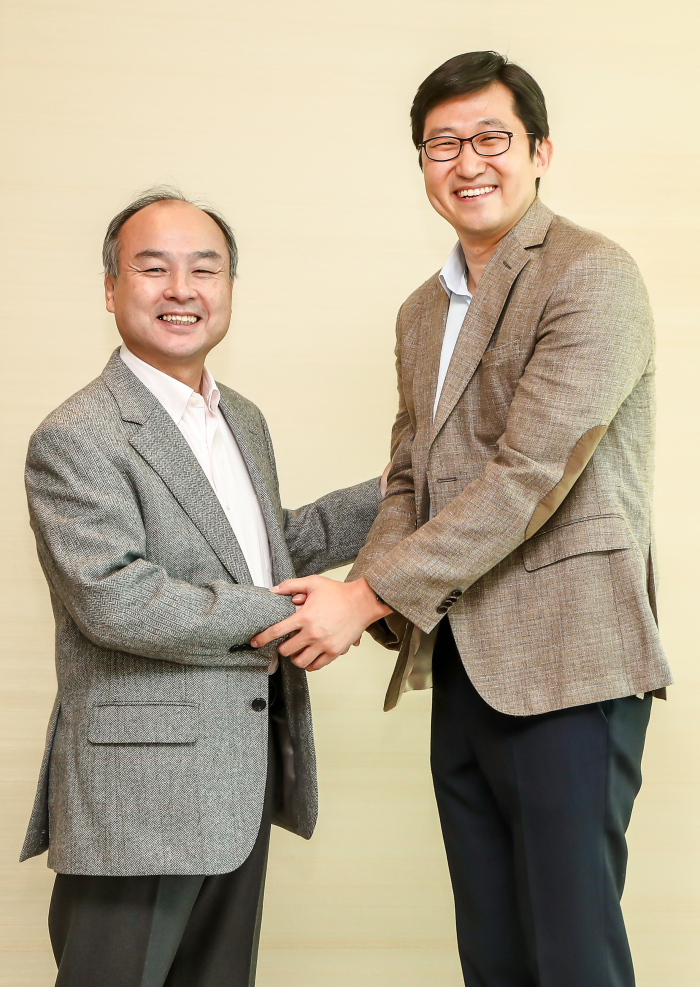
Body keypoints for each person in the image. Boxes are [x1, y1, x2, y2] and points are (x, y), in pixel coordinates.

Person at [251, 52, 673, 986]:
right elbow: (413, 478)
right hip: (462, 658)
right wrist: (372, 596)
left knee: (572, 950)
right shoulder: (419, 312)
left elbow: (530, 474)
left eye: (491, 138)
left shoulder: (593, 273)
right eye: (443, 143)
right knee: (492, 950)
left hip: (572, 663)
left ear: (539, 151)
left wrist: (361, 597)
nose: (467, 161)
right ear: (423, 164)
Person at [21, 186, 384, 987]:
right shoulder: (76, 435)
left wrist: (401, 490)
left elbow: (260, 551)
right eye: (154, 268)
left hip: (235, 774)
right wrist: (299, 613)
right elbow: (114, 597)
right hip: (138, 793)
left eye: (205, 269)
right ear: (111, 288)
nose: (182, 289)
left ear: (227, 289)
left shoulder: (239, 417)